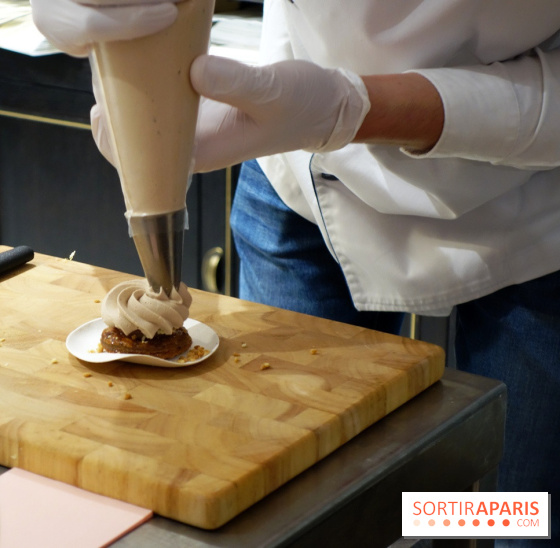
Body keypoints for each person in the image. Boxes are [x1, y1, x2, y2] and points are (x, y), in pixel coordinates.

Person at [31, 1, 560, 544]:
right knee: (289, 496)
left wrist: (347, 109)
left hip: (523, 207)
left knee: (519, 512)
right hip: (294, 164)